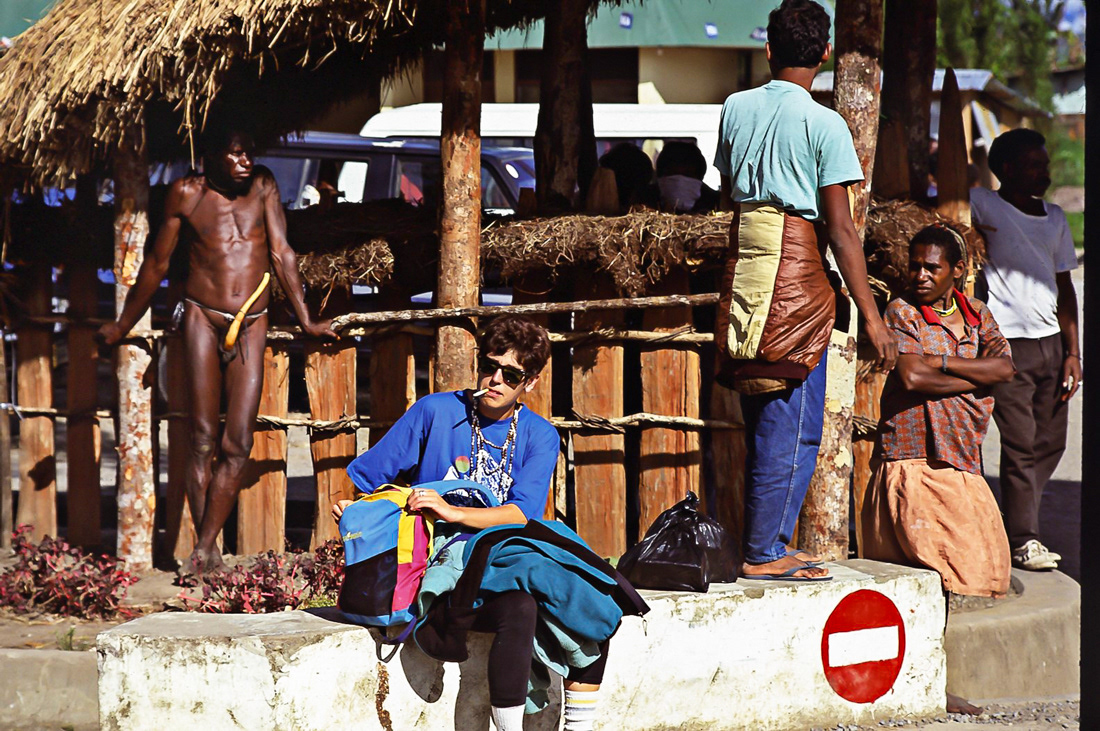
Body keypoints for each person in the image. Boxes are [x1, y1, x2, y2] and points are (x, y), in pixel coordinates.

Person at [334, 315, 644, 731]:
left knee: (550, 599)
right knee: (563, 596)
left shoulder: (540, 434)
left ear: (529, 383)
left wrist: (455, 511)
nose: (495, 379)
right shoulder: (436, 411)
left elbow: (520, 513)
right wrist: (357, 513)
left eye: (510, 374)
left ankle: (576, 726)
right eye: (489, 366)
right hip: (439, 562)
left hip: (503, 556)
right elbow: (366, 481)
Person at [98, 125, 336, 575]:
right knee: (203, 438)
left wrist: (305, 319)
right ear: (210, 158)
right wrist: (121, 325)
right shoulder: (186, 193)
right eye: (236, 153)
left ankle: (206, 546)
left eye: (248, 152)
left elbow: (282, 252)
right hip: (202, 318)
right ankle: (206, 552)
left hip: (252, 320)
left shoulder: (263, 185)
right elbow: (157, 263)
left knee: (239, 441)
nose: (245, 161)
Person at [712, 0, 896, 580]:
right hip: (795, 276)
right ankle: (765, 551)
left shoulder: (735, 107)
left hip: (744, 269)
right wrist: (872, 316)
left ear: (767, 49)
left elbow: (728, 195)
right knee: (791, 423)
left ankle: (765, 543)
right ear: (825, 54)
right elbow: (841, 228)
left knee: (764, 412)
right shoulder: (825, 123)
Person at [862, 224, 1014, 598]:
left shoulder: (977, 314)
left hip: (961, 456)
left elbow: (1006, 368)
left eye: (932, 268)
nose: (921, 276)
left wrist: (940, 362)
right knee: (927, 571)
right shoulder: (902, 312)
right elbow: (913, 377)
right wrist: (979, 379)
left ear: (958, 270)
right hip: (914, 458)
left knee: (984, 573)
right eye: (915, 267)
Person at [971, 128, 1080, 571]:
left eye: (1046, 164)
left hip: (1051, 344)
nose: (1045, 173)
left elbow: (1065, 286)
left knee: (1051, 442)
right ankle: (1024, 538)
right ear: (1009, 169)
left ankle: (1013, 520)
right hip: (1006, 347)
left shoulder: (1055, 218)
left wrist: (1073, 351)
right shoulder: (984, 204)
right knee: (1020, 445)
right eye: (1035, 165)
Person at [655, 141, 718, 213]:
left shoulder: (715, 201)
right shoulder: (647, 200)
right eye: (673, 174)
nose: (679, 182)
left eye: (687, 174)